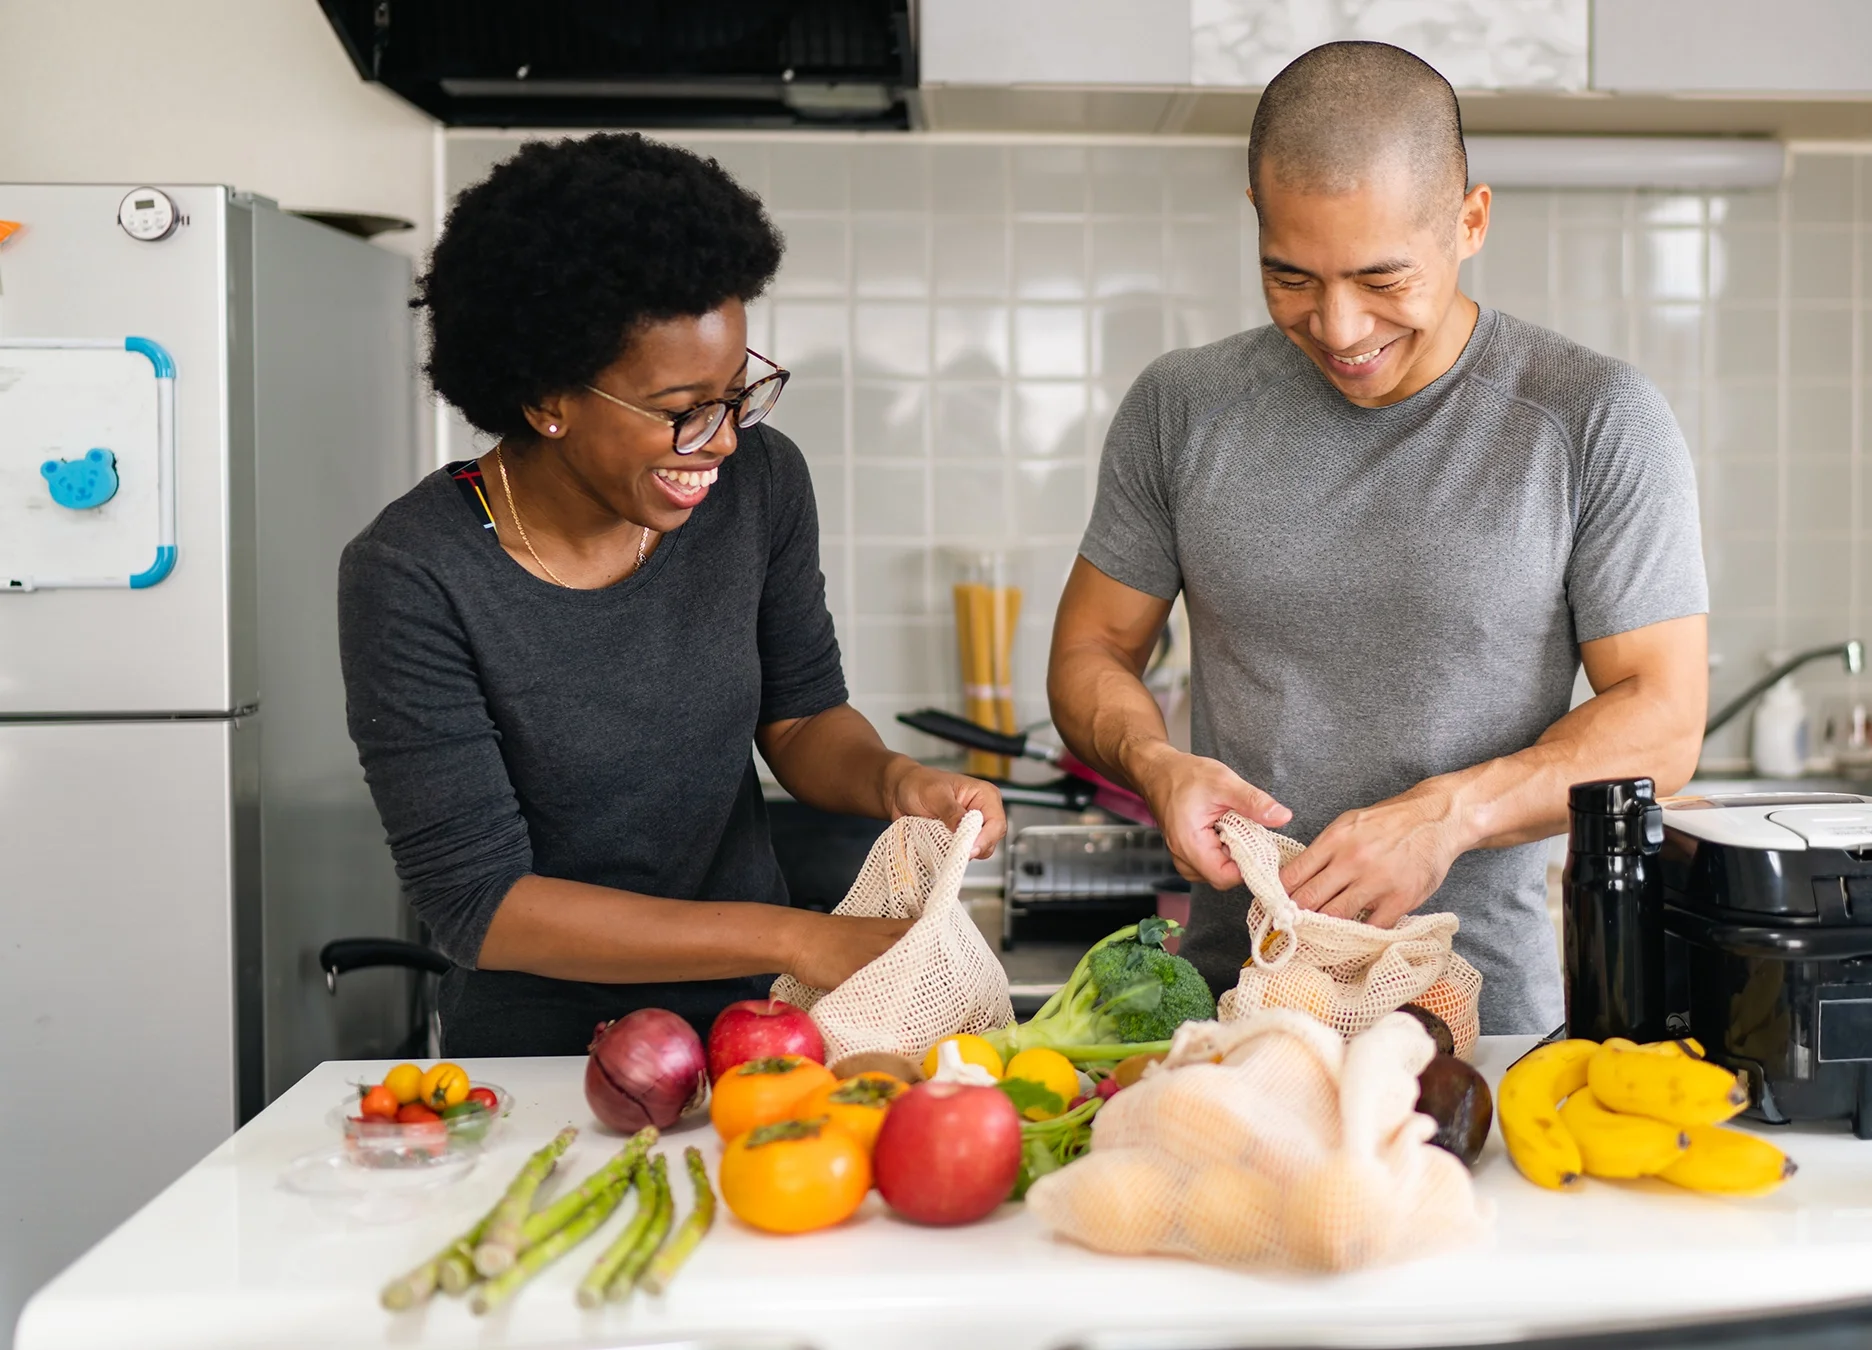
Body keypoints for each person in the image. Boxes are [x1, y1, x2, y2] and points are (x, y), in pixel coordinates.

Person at [1047, 43, 1710, 1034]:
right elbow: (1091, 649)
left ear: (1471, 221)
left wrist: (1450, 818)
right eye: (1291, 277)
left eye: (1380, 278)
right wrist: (1154, 761)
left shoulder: (1592, 419)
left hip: (1481, 1025)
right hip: (1239, 1014)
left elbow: (1663, 719)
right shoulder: (1182, 408)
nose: (1339, 325)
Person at [338, 134, 1004, 1056]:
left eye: (738, 395)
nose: (724, 439)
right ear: (546, 399)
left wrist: (898, 781)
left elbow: (803, 721)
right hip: (547, 1055)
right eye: (682, 408)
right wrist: (797, 937)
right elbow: (480, 906)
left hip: (757, 1027)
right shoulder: (413, 574)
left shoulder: (760, 485)